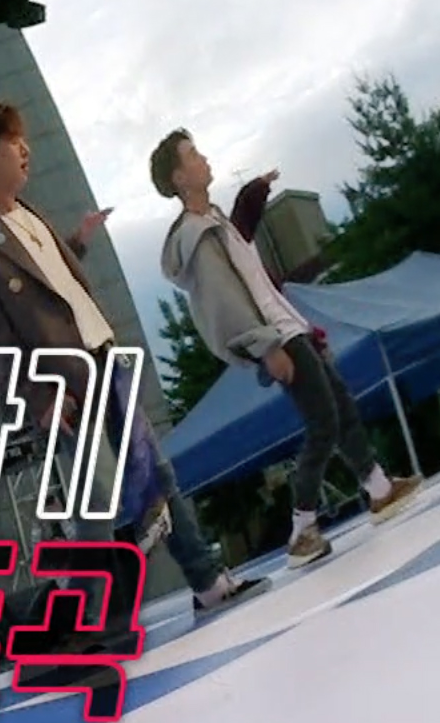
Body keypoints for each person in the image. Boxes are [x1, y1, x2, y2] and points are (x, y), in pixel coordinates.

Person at [0, 103, 265, 618]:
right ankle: (90, 621)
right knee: (95, 504)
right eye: (13, 142)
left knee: (156, 475)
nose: (25, 150)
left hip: (104, 360)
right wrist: (38, 399)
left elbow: (52, 287)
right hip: (62, 388)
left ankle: (205, 581)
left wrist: (79, 242)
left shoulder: (32, 215)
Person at [154, 130, 422, 564]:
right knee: (323, 421)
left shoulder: (215, 222)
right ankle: (302, 528)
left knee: (339, 405)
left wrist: (254, 192)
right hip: (275, 335)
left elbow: (246, 256)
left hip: (288, 326)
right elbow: (226, 300)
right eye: (193, 155)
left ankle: (379, 489)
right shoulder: (197, 236)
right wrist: (265, 346)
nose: (203, 158)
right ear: (179, 177)